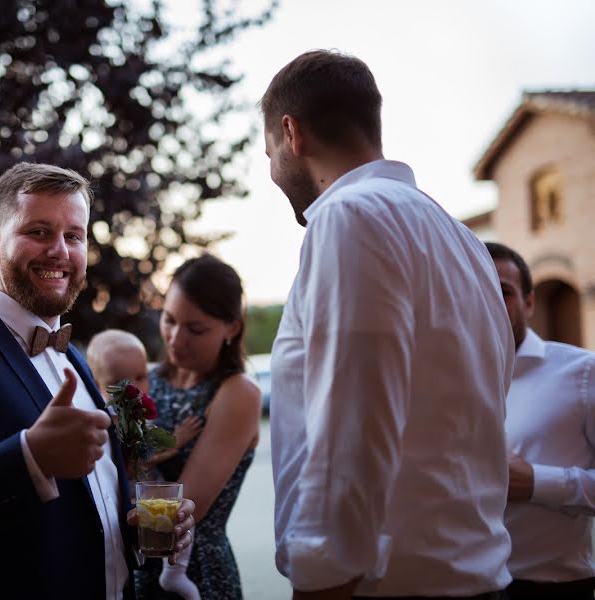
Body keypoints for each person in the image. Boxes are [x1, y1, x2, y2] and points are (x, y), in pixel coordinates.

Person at [0, 162, 195, 599]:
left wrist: (139, 527)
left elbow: (79, 516)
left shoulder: (75, 359)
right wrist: (27, 460)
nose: (59, 250)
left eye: (73, 236)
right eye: (38, 232)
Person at [261, 50, 514, 599]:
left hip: (384, 587)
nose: (272, 172)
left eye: (268, 154)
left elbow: (351, 431)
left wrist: (323, 581)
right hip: (469, 576)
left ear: (291, 133)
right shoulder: (461, 240)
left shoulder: (351, 216)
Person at [136, 253, 262, 600]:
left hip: (196, 574)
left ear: (232, 329)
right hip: (134, 567)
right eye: (169, 320)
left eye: (196, 329)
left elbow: (180, 508)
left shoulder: (237, 393)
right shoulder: (149, 377)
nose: (176, 339)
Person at [485, 242, 595, 600]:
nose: (486, 302)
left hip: (553, 590)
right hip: (466, 587)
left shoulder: (583, 372)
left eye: (502, 291)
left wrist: (536, 482)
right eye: (474, 289)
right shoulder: (441, 380)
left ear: (529, 302)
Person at [87, 328, 203, 600]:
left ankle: (173, 573)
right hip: (125, 492)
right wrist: (177, 440)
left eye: (141, 376)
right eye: (120, 382)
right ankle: (171, 573)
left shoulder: (133, 411)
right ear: (95, 383)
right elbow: (141, 455)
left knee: (179, 516)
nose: (135, 388)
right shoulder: (111, 418)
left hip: (143, 487)